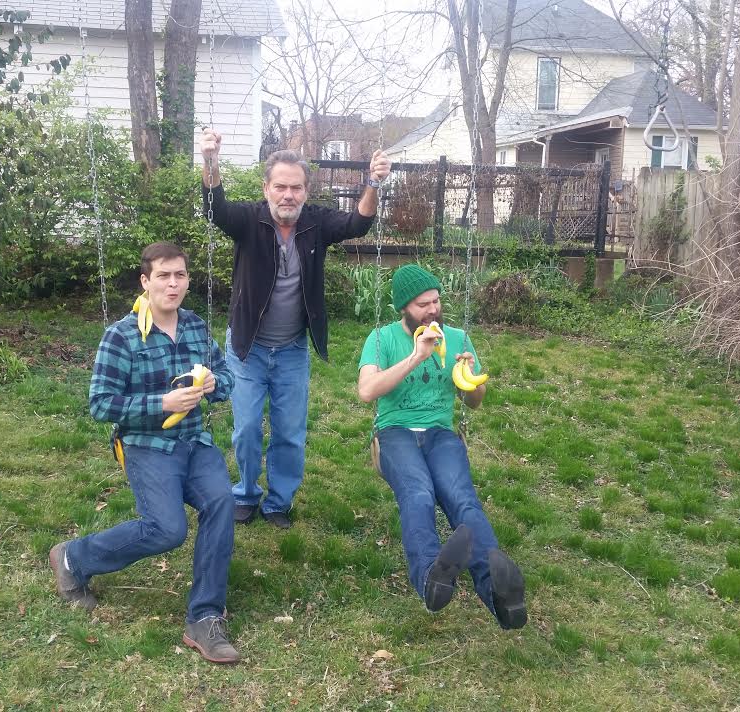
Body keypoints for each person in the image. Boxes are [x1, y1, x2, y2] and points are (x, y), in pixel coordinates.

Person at [48, 241, 241, 664]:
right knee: (166, 529)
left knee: (222, 502)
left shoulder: (195, 326)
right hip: (146, 446)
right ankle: (73, 557)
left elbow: (225, 375)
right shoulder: (121, 336)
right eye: (164, 276)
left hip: (194, 442)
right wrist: (161, 404)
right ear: (145, 281)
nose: (173, 284)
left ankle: (205, 617)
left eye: (180, 276)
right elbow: (101, 405)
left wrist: (213, 385)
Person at [201, 127, 392, 529]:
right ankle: (246, 493)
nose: (288, 196)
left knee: (289, 432)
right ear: (266, 188)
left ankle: (278, 502)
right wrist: (210, 161)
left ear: (306, 191)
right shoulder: (248, 221)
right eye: (281, 187)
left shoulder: (315, 223)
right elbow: (215, 209)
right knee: (248, 427)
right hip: (246, 348)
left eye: (297, 188)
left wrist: (373, 182)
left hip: (290, 350)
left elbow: (358, 224)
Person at [356, 264, 527, 629]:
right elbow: (366, 391)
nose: (433, 310)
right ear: (404, 308)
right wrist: (417, 355)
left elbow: (475, 402)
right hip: (394, 431)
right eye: (422, 304)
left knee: (460, 497)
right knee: (418, 493)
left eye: (436, 300)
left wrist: (471, 382)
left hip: (439, 432)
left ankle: (501, 597)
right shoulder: (382, 339)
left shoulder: (459, 337)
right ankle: (431, 580)